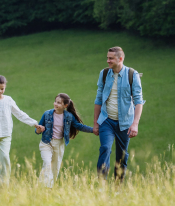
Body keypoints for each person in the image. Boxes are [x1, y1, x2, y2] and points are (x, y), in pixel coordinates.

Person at [0, 75, 43, 187]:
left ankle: (3, 185)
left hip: (5, 134)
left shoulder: (8, 100)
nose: (0, 91)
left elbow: (19, 114)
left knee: (5, 157)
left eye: (2, 89)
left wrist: (34, 123)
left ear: (5, 88)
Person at [93, 46, 145, 180]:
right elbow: (98, 99)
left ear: (120, 58)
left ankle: (118, 186)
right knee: (105, 148)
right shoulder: (104, 74)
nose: (108, 61)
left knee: (121, 155)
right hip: (106, 120)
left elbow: (139, 101)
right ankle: (102, 184)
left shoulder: (132, 75)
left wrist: (135, 124)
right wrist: (95, 123)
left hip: (125, 122)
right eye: (107, 58)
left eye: (110, 58)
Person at [35, 93, 93, 188]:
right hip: (46, 143)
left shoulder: (69, 116)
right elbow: (37, 130)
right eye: (55, 101)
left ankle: (47, 186)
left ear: (65, 106)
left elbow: (79, 126)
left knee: (55, 168)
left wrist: (93, 130)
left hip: (59, 144)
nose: (55, 104)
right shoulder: (47, 114)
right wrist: (38, 129)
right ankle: (46, 187)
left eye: (59, 103)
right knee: (47, 162)